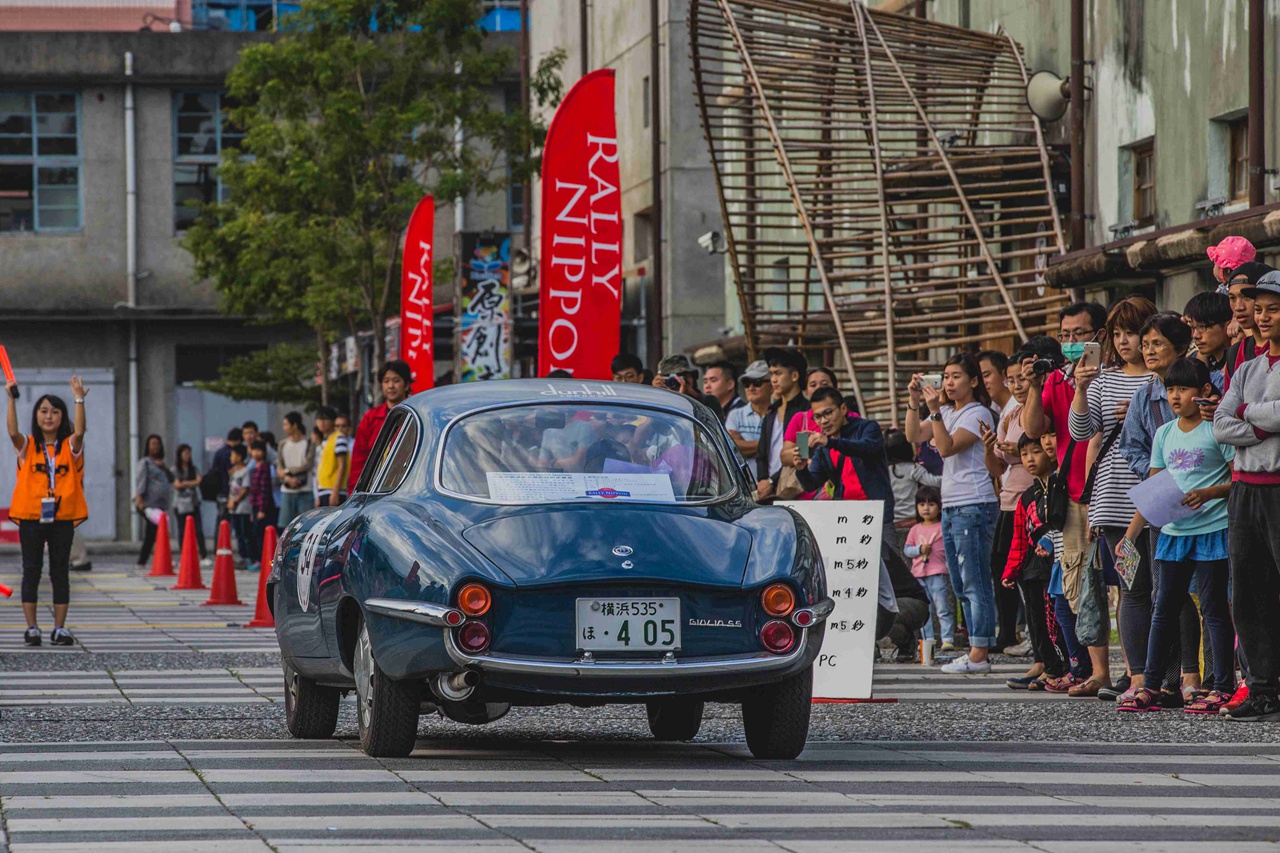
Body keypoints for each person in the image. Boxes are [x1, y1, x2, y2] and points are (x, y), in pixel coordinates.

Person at [1117, 357, 1235, 714]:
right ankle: (1151, 686)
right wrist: (1130, 535)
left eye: (1183, 388)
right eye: (1170, 389)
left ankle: (1222, 687)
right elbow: (1154, 491)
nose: (1175, 396)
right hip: (1172, 534)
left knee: (1214, 609)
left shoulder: (1217, 430)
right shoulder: (1164, 434)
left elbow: (1238, 479)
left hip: (1213, 531)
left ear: (1204, 391)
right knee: (1163, 609)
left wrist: (1209, 493)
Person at [1068, 296, 1158, 699]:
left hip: (1156, 496)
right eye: (1117, 334)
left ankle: (1166, 674)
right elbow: (1082, 432)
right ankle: (1135, 674)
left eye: (1132, 333)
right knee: (1131, 587)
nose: (1124, 341)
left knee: (1164, 589)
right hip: (1114, 500)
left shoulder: (1162, 378)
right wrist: (1081, 388)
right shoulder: (1103, 381)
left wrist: (1139, 413)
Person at [1022, 301, 1111, 691]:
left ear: (1099, 335)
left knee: (1129, 585)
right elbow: (1033, 428)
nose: (1071, 341)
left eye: (1079, 333)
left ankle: (1143, 671)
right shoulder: (1057, 380)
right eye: (1065, 335)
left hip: (1115, 490)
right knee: (1079, 583)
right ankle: (1097, 671)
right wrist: (1034, 385)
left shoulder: (1113, 374)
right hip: (1074, 494)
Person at [795, 387, 918, 654]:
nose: (823, 420)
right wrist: (801, 468)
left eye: (828, 413)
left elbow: (868, 449)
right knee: (854, 578)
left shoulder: (866, 428)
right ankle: (866, 641)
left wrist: (830, 443)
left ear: (843, 409)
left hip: (877, 515)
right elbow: (813, 482)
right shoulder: (823, 445)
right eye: (818, 417)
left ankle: (905, 635)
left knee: (890, 575)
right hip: (847, 519)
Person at [1213, 272, 1280, 721]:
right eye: (1259, 309)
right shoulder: (1246, 368)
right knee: (1249, 593)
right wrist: (1257, 426)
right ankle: (1261, 688)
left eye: (1273, 308)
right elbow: (1220, 424)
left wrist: (1245, 413)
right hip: (1244, 490)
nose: (1263, 316)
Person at [907, 353, 999, 674]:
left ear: (973, 381)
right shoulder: (946, 411)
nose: (948, 382)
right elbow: (913, 436)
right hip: (952, 505)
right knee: (960, 583)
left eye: (956, 376)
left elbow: (945, 448)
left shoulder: (978, 413)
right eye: (945, 376)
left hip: (974, 503)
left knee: (974, 580)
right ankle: (975, 649)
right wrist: (914, 402)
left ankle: (980, 653)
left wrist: (934, 411)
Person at [7, 376, 88, 647]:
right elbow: (12, 432)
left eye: (54, 411)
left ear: (62, 417)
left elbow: (80, 433)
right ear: (36, 416)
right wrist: (11, 399)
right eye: (43, 411)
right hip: (31, 516)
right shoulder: (28, 445)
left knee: (59, 571)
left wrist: (78, 399)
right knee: (31, 570)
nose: (49, 416)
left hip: (61, 517)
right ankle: (32, 628)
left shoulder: (69, 446)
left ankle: (59, 628)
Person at [1001, 434, 1069, 690]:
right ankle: (1044, 665)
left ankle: (1059, 668)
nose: (1030, 459)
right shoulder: (1027, 496)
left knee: (1056, 621)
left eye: (1036, 451)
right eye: (1024, 454)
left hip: (1055, 564)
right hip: (1032, 568)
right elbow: (1019, 538)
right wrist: (1011, 570)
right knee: (1036, 620)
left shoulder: (1061, 486)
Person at [982, 347, 1029, 653]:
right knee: (1003, 568)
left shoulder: (1037, 411)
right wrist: (990, 448)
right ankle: (1010, 632)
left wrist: (1020, 451)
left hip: (1030, 500)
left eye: (1021, 378)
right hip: (1008, 501)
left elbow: (1045, 452)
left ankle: (1032, 637)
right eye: (1011, 379)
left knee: (1029, 574)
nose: (1016, 385)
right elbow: (997, 467)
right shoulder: (1009, 414)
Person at [904, 485, 954, 653]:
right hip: (918, 574)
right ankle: (928, 640)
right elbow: (907, 550)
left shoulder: (943, 527)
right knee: (924, 610)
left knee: (942, 607)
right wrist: (919, 549)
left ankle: (947, 639)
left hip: (938, 573)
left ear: (939, 507)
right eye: (922, 504)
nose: (926, 508)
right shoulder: (915, 529)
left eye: (931, 504)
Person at [349, 360, 412, 490]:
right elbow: (359, 460)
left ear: (406, 385)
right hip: (376, 490)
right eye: (386, 381)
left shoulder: (417, 415)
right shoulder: (371, 418)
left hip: (409, 487)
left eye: (396, 381)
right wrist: (355, 493)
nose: (391, 386)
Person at [755, 347, 808, 501]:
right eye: (771, 374)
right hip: (767, 490)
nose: (773, 379)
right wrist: (763, 481)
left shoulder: (806, 412)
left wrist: (772, 481)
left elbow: (802, 453)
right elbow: (761, 454)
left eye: (778, 373)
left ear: (794, 376)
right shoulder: (771, 412)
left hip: (795, 489)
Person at [781, 367, 842, 500]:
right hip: (802, 493)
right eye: (813, 385)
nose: (818, 388)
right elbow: (784, 456)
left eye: (824, 384)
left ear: (835, 389)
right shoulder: (800, 419)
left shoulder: (847, 417)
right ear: (806, 391)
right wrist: (802, 453)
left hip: (838, 493)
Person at [1224, 261, 1275, 390]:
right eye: (1232, 298)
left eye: (1246, 297)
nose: (1238, 307)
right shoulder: (1235, 353)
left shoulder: (1275, 349)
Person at [887, 428, 941, 530]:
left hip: (892, 520)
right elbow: (934, 482)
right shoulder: (913, 468)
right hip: (913, 519)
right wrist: (950, 477)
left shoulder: (884, 471)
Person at [134, 434, 174, 569]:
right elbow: (140, 481)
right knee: (156, 531)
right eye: (153, 444)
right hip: (149, 505)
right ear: (148, 446)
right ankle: (149, 559)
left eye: (158, 443)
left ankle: (146, 560)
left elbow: (172, 479)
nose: (156, 446)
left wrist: (164, 468)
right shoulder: (145, 463)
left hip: (160, 505)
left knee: (153, 533)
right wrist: (140, 500)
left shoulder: (162, 463)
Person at [652, 354, 724, 422]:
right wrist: (655, 394)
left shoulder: (708, 402)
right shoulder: (658, 404)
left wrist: (683, 399)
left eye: (682, 376)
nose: (677, 382)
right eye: (670, 379)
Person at [172, 443, 210, 566]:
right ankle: (184, 555)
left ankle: (203, 555)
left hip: (194, 502)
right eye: (185, 453)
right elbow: (177, 485)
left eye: (189, 453)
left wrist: (185, 483)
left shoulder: (194, 468)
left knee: (198, 530)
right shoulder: (175, 470)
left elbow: (199, 481)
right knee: (182, 530)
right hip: (180, 504)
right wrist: (191, 483)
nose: (188, 456)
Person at [725, 360, 770, 458]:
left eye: (757, 383)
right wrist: (769, 443)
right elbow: (731, 447)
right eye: (746, 383)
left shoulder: (779, 415)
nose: (751, 388)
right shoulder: (735, 415)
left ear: (772, 385)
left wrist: (745, 444)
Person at [1184, 291, 1232, 378]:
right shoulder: (1203, 361)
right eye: (1193, 328)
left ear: (1228, 325)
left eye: (1203, 327)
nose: (1195, 336)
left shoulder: (1241, 362)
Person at [315, 407, 351, 507]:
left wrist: (335, 491)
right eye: (319, 419)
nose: (321, 422)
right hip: (324, 490)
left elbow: (342, 466)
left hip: (333, 490)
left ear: (332, 421)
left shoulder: (339, 438)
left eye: (325, 419)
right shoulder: (325, 441)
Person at [248, 440, 276, 569]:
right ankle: (260, 561)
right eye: (254, 450)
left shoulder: (265, 468)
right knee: (255, 533)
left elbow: (265, 490)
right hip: (255, 506)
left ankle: (266, 561)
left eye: (259, 450)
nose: (256, 453)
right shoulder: (255, 468)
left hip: (263, 507)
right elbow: (253, 491)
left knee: (262, 535)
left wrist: (262, 510)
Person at [209, 426, 243, 521]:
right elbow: (231, 473)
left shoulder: (219, 452)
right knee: (227, 519)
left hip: (219, 490)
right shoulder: (230, 454)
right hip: (227, 490)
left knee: (221, 518)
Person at [226, 445, 252, 567]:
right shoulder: (233, 471)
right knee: (238, 534)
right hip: (234, 508)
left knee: (245, 533)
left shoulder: (245, 471)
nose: (231, 457)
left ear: (239, 456)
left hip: (243, 507)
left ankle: (248, 557)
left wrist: (235, 501)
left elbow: (245, 488)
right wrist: (229, 501)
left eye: (233, 455)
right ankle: (242, 557)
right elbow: (231, 488)